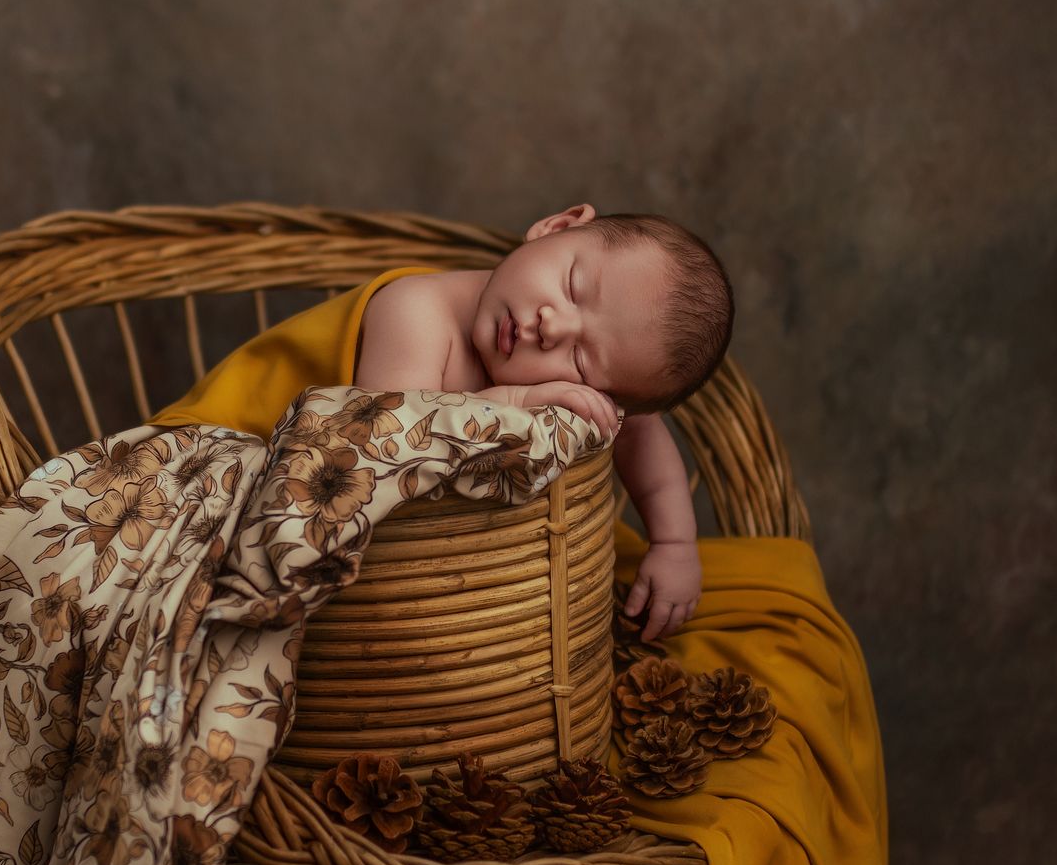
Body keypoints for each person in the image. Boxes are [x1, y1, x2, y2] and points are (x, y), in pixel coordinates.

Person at [152, 201, 735, 643]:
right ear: (555, 228)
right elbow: (386, 442)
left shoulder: (583, 372)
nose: (552, 326)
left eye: (580, 361)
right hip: (214, 463)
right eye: (572, 285)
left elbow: (637, 431)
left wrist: (675, 544)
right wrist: (511, 400)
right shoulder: (417, 311)